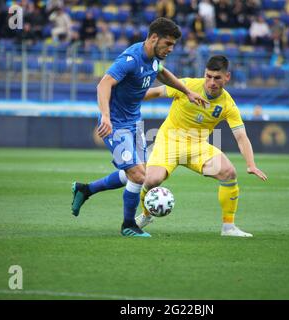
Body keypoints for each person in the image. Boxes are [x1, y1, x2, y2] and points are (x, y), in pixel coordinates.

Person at [71, 18, 208, 238]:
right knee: (137, 175)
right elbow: (103, 84)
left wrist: (187, 91)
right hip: (116, 125)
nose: (171, 49)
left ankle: (85, 189)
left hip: (134, 122)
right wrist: (105, 116)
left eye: (173, 45)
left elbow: (162, 73)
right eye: (168, 44)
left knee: (138, 174)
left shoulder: (154, 58)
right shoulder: (130, 59)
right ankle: (128, 225)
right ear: (154, 38)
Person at [135, 55, 268, 237]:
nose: (211, 82)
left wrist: (251, 164)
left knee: (229, 172)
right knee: (151, 180)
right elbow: (157, 92)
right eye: (208, 76)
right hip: (169, 142)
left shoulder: (228, 104)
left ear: (227, 77)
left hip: (197, 147)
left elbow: (241, 136)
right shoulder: (187, 85)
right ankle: (146, 215)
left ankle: (228, 227)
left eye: (217, 78)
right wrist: (129, 100)